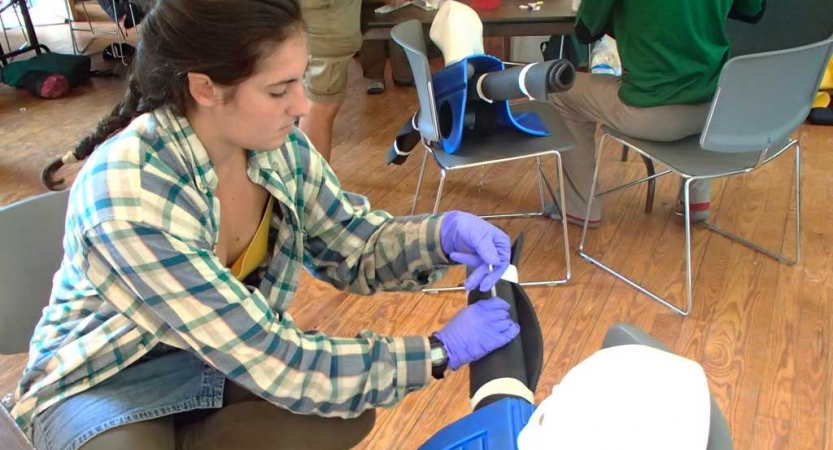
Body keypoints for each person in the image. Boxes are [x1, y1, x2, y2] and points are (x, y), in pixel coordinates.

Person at [9, 1, 520, 449]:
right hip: (104, 377)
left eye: (301, 79)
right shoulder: (131, 192)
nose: (301, 106)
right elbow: (274, 359)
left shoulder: (278, 150)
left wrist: (442, 236)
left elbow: (355, 247)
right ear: (205, 88)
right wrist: (435, 353)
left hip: (206, 360)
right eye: (280, 90)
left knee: (340, 414)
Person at [549, 0, 766, 227]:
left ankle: (579, 206)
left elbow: (585, 30)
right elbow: (754, 11)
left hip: (652, 113)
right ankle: (697, 200)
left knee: (562, 91)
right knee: (698, 68)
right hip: (714, 109)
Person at [297, 0, 405, 160]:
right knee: (320, 106)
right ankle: (313, 182)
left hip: (319, 24)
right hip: (326, 30)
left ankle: (310, 180)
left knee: (315, 103)